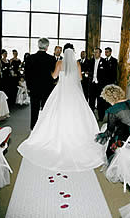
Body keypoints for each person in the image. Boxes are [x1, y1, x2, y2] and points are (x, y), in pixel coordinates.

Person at [18, 43, 104, 172]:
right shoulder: (77, 64)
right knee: (76, 114)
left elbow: (54, 76)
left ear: (64, 52)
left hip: (61, 90)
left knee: (54, 113)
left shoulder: (59, 63)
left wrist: (55, 73)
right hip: (74, 92)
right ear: (73, 52)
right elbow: (80, 78)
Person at [95, 84, 130, 162]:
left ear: (109, 98)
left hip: (128, 141)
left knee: (105, 130)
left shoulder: (113, 110)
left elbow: (109, 132)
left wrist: (100, 136)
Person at [25, 38, 56, 130]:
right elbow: (54, 74)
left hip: (34, 88)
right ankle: (45, 128)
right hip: (47, 88)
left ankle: (33, 128)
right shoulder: (51, 58)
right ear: (47, 47)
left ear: (38, 46)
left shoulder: (30, 58)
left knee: (34, 109)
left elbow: (27, 74)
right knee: (46, 108)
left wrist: (29, 87)